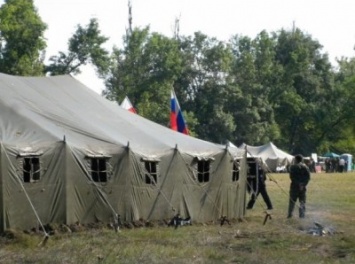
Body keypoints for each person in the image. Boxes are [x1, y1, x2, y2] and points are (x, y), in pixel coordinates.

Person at [287, 154, 311, 218]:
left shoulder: (293, 167)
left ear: (296, 159)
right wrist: (303, 184)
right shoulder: (306, 167)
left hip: (294, 187)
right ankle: (302, 215)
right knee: (302, 202)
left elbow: (292, 177)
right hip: (303, 188)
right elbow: (308, 177)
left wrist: (298, 184)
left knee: (292, 202)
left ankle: (290, 215)